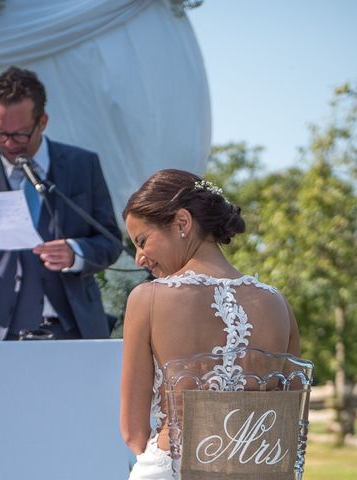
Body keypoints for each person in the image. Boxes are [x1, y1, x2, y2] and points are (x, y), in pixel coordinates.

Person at [119, 169, 301, 479]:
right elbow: (291, 424)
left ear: (182, 223)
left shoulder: (147, 299)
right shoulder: (277, 303)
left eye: (142, 240)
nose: (139, 258)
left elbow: (133, 432)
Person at [0, 66, 122, 341]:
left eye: (20, 134)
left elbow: (111, 242)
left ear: (42, 122)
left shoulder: (83, 165)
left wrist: (76, 252)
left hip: (75, 330)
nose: (9, 144)